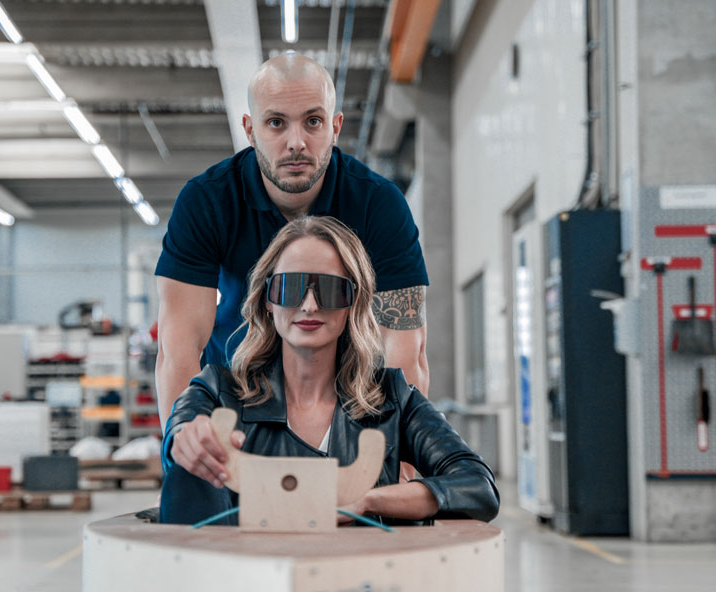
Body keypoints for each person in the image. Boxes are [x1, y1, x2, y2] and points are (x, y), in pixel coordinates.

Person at [159, 217, 498, 525]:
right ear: (268, 299)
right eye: (291, 287)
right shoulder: (217, 391)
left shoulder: (393, 398)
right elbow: (182, 431)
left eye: (331, 289)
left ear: (354, 302)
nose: (309, 306)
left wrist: (366, 501)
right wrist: (187, 438)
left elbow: (476, 485)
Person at [154, 51, 430, 426]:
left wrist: (398, 451)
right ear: (250, 130)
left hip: (346, 410)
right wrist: (187, 444)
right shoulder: (207, 202)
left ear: (335, 127)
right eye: (276, 123)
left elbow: (405, 352)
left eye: (313, 121)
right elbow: (179, 352)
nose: (296, 142)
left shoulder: (378, 205)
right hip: (235, 405)